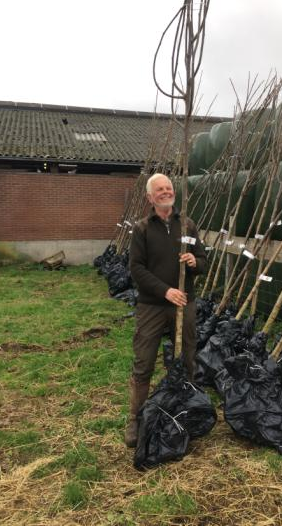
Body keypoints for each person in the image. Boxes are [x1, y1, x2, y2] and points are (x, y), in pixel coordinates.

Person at [125, 173, 207, 447]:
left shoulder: (188, 225)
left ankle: (187, 411)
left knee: (186, 357)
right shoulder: (142, 229)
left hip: (185, 302)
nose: (165, 191)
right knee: (144, 361)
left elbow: (205, 261)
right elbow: (136, 269)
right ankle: (135, 419)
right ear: (150, 197)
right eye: (159, 189)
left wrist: (195, 261)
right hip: (153, 305)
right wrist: (165, 290)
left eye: (168, 187)